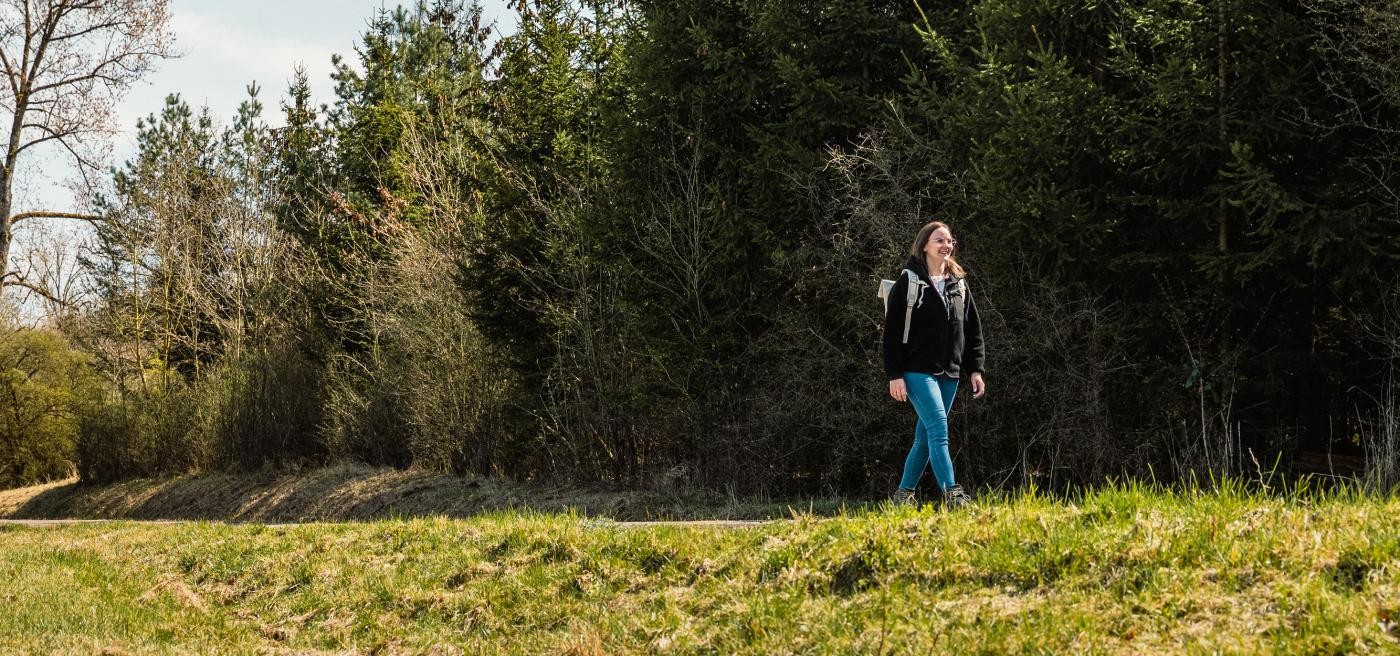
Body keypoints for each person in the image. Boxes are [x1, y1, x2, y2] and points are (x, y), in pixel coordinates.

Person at [882, 221, 986, 508]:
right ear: (925, 245)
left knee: (926, 437)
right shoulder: (909, 281)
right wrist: (895, 374)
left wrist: (975, 370)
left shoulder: (959, 284)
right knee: (939, 429)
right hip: (917, 370)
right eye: (939, 240)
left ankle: (903, 496)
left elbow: (972, 330)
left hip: (950, 372)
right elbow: (891, 333)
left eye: (950, 241)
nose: (946, 245)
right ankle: (953, 494)